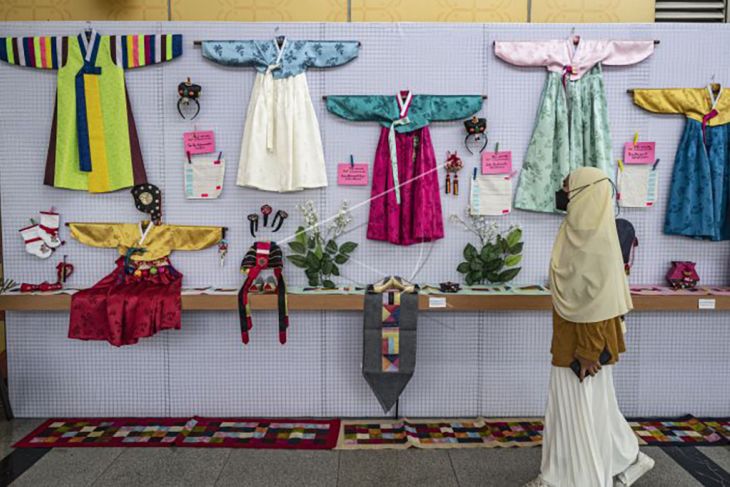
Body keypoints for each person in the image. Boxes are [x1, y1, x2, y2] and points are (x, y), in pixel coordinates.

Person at [524, 167, 655, 487]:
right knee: (592, 410)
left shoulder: (592, 243)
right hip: (577, 342)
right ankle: (628, 459)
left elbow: (596, 304)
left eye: (567, 188)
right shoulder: (586, 235)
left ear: (584, 194)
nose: (562, 193)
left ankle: (568, 480)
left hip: (583, 350)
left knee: (575, 413)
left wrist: (587, 351)